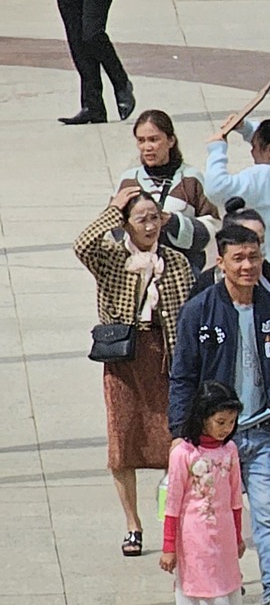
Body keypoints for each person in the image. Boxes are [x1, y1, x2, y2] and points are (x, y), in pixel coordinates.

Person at [169, 220, 270, 605]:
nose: (248, 265)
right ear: (221, 261)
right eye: (239, 258)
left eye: (254, 256)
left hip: (264, 430)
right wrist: (181, 433)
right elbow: (182, 375)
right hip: (213, 441)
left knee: (269, 514)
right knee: (215, 520)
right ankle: (221, 591)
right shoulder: (200, 310)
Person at [73, 188, 186, 556]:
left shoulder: (177, 263)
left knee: (174, 439)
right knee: (122, 440)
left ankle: (174, 517)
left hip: (164, 356)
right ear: (127, 225)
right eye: (141, 219)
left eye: (155, 218)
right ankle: (132, 524)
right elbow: (83, 245)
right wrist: (113, 209)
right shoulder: (111, 258)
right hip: (124, 356)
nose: (150, 225)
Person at [162, 383, 253, 605]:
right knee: (201, 598)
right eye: (220, 422)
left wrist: (239, 535)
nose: (226, 429)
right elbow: (172, 503)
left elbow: (236, 499)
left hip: (224, 537)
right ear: (202, 418)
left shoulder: (230, 452)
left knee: (225, 596)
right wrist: (169, 547)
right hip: (194, 538)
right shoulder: (183, 454)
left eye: (231, 423)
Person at [203, 114, 270, 271]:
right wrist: (245, 128)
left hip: (268, 274)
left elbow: (216, 188)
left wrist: (217, 150)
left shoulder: (264, 176)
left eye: (254, 146)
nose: (252, 152)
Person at [117, 110, 218, 272]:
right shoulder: (128, 180)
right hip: (138, 272)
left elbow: (214, 226)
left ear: (171, 140)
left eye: (154, 140)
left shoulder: (191, 179)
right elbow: (112, 229)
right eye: (141, 141)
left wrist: (173, 222)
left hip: (183, 271)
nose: (147, 147)